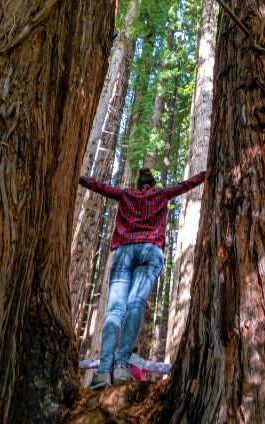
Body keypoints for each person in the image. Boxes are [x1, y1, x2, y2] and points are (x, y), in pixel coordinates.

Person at [78, 166, 207, 389]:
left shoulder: (125, 194)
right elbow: (185, 185)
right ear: (153, 184)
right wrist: (205, 174)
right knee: (136, 303)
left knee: (115, 310)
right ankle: (121, 367)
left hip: (124, 251)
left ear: (138, 185)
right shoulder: (161, 194)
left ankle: (103, 371)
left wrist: (79, 178)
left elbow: (100, 187)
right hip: (150, 250)